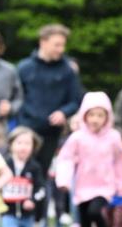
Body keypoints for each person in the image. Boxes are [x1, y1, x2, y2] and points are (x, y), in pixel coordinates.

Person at [54, 92, 122, 227]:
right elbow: (66, 159)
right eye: (92, 114)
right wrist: (63, 180)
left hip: (105, 186)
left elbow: (121, 162)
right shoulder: (77, 137)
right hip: (82, 187)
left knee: (96, 212)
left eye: (100, 115)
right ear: (84, 115)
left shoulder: (113, 137)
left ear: (107, 117)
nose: (95, 119)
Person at [16, 23, 84, 179]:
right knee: (21, 175)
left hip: (51, 134)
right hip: (26, 131)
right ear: (43, 42)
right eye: (57, 45)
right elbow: (15, 98)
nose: (61, 49)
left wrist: (63, 112)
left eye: (63, 45)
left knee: (41, 176)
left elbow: (75, 100)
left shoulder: (67, 70)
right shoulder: (24, 68)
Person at [1, 126, 46, 227]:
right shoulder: (4, 165)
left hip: (27, 214)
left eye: (27, 143)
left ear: (33, 147)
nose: (23, 147)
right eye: (19, 143)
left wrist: (32, 200)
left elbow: (41, 189)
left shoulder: (34, 167)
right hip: (9, 211)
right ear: (11, 145)